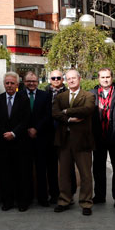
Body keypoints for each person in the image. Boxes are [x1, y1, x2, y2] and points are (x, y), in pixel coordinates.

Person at [52, 69, 96, 216]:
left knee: (85, 174)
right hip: (64, 140)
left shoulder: (88, 96)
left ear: (79, 79)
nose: (71, 81)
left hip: (82, 141)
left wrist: (66, 111)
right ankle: (64, 200)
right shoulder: (60, 96)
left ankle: (86, 202)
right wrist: (69, 119)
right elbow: (55, 113)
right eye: (68, 79)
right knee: (63, 173)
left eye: (74, 78)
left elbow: (87, 110)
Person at [0, 72, 32, 211]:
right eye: (7, 83)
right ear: (4, 84)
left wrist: (14, 133)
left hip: (20, 143)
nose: (9, 85)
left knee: (21, 174)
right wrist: (4, 133)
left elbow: (26, 120)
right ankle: (7, 202)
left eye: (12, 83)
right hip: (3, 143)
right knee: (5, 174)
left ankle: (22, 202)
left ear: (17, 85)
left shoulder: (24, 99)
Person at [89, 68, 115, 208]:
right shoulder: (91, 94)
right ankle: (99, 195)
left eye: (108, 77)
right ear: (98, 79)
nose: (105, 79)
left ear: (112, 78)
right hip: (99, 137)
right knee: (98, 168)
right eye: (102, 77)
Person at [23, 71, 53, 207]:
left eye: (34, 81)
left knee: (42, 170)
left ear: (37, 82)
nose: (31, 83)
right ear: (24, 82)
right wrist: (28, 128)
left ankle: (43, 198)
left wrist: (36, 129)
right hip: (24, 139)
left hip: (41, 138)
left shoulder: (45, 96)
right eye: (29, 81)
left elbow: (48, 115)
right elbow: (18, 116)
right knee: (26, 170)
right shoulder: (19, 95)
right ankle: (27, 198)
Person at [45, 69, 69, 202]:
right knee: (51, 166)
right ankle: (54, 194)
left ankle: (69, 194)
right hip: (49, 135)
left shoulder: (68, 92)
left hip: (65, 133)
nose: (55, 80)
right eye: (53, 78)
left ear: (62, 79)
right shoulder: (44, 93)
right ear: (50, 79)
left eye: (58, 78)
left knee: (67, 166)